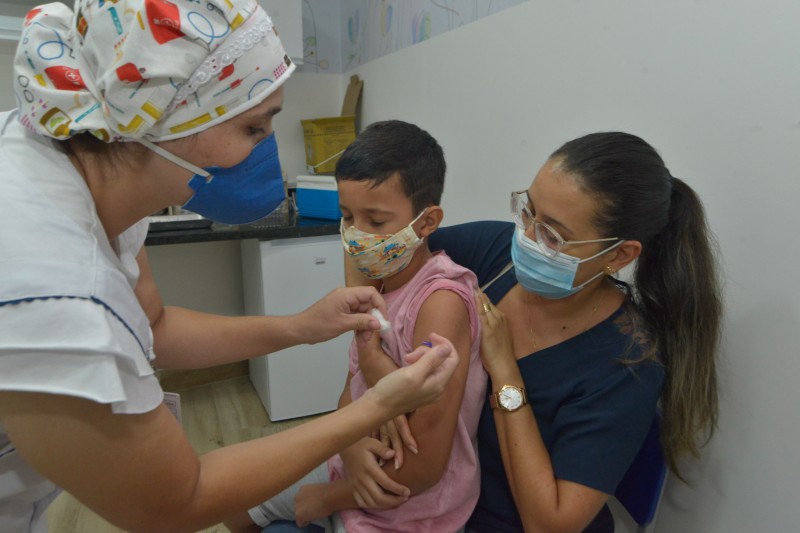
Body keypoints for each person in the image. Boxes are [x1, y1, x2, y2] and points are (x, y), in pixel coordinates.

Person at [0, 2, 462, 532]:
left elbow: (155, 328)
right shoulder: (54, 290)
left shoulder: (87, 164)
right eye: (252, 129)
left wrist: (301, 328)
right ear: (162, 119)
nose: (267, 153)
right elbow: (175, 501)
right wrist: (368, 412)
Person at [353, 132, 722, 532]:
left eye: (553, 235)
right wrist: (372, 369)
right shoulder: (494, 254)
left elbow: (550, 524)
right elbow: (374, 251)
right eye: (528, 211)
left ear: (619, 255)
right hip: (426, 505)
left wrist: (506, 375)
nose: (526, 239)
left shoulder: (627, 363)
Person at [225, 120, 488, 533]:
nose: (356, 236)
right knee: (234, 508)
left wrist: (329, 497)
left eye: (377, 222)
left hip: (409, 500)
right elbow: (355, 384)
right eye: (347, 217)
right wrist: (347, 446)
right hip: (354, 457)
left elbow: (425, 467)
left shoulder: (440, 302)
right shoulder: (377, 281)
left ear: (426, 221)